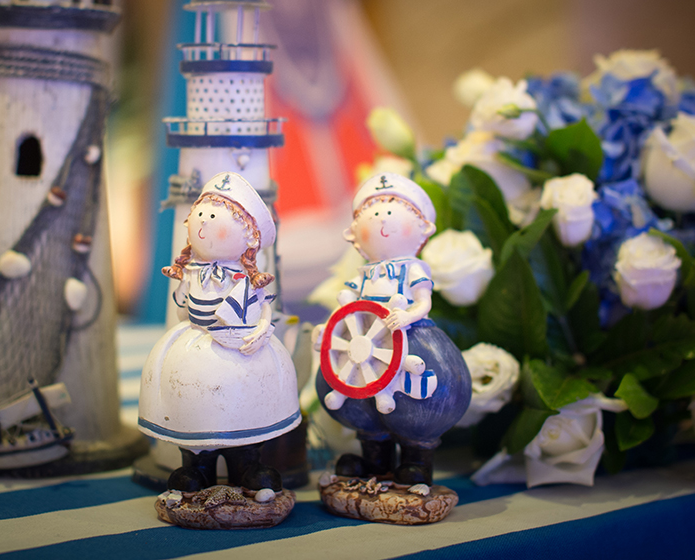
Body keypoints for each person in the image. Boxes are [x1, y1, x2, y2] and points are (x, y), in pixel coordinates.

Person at [138, 172, 300, 493]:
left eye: (214, 218)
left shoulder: (244, 279)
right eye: (200, 215)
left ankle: (246, 464)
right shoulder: (192, 272)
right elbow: (182, 310)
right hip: (195, 347)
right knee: (193, 400)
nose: (204, 224)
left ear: (249, 236)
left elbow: (263, 307)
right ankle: (198, 466)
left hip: (240, 347)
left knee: (246, 401)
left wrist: (263, 328)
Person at [315, 172, 471, 485]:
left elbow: (424, 302)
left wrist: (408, 315)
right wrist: (330, 328)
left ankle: (417, 461)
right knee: (361, 400)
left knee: (420, 401)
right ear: (354, 234)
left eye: (390, 213)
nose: (382, 221)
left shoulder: (412, 269)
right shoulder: (363, 275)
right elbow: (346, 306)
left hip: (411, 338)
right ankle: (375, 460)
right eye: (372, 216)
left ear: (423, 228)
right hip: (362, 344)